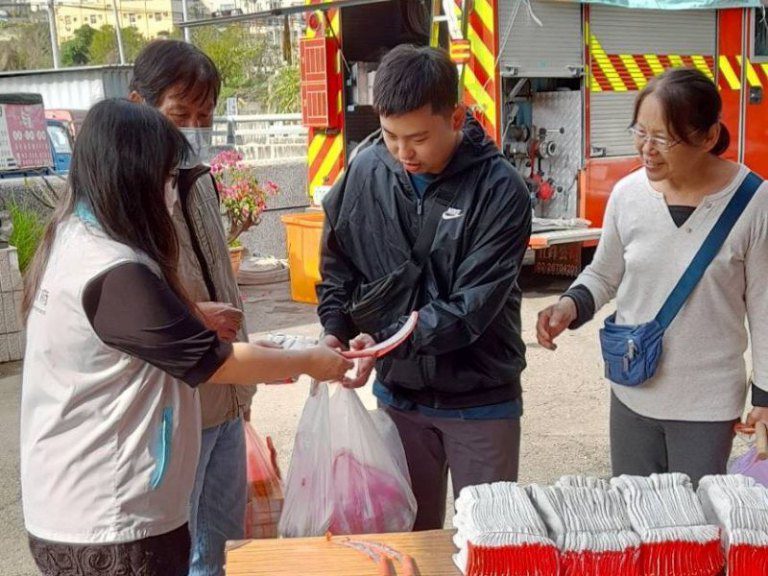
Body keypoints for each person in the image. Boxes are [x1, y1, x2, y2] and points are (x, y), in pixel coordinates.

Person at [20, 99, 351, 576]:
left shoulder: (76, 237)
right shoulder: (114, 269)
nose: (174, 193)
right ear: (133, 178)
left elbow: (117, 332)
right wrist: (311, 360)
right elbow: (217, 363)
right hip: (112, 522)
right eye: (170, 178)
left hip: (78, 507)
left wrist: (189, 314)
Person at [317, 44, 532, 530]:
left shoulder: (500, 190)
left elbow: (471, 307)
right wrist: (335, 328)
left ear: (455, 116)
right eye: (390, 135)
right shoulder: (368, 167)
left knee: (490, 539)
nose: (402, 153)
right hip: (399, 398)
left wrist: (387, 340)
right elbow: (338, 265)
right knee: (408, 536)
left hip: (481, 399)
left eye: (417, 138)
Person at [536, 67, 768, 485]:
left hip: (706, 405)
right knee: (636, 516)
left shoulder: (753, 202)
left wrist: (766, 396)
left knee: (694, 531)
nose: (647, 149)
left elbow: (765, 307)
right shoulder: (628, 194)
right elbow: (604, 273)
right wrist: (569, 305)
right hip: (632, 389)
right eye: (640, 133)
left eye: (663, 138)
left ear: (708, 137)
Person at [128, 39, 253, 576]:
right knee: (179, 551)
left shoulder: (198, 181)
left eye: (204, 116)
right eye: (179, 114)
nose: (191, 129)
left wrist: (244, 388)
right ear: (138, 106)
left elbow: (221, 276)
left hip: (224, 397)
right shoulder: (124, 198)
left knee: (225, 546)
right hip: (171, 409)